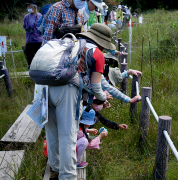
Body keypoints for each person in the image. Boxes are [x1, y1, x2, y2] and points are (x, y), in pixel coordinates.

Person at [46, 24, 114, 180]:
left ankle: (55, 166)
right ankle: (68, 176)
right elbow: (96, 86)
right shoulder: (97, 53)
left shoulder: (72, 44)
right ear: (101, 42)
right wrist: (103, 99)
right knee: (68, 134)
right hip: (66, 91)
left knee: (51, 130)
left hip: (45, 87)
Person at [23, 0, 42, 69]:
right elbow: (24, 26)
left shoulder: (40, 16)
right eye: (27, 6)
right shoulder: (26, 17)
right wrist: (27, 28)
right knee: (29, 57)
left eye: (29, 6)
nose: (28, 8)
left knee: (39, 58)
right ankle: (30, 69)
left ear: (34, 7)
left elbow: (42, 27)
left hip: (38, 40)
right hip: (29, 40)